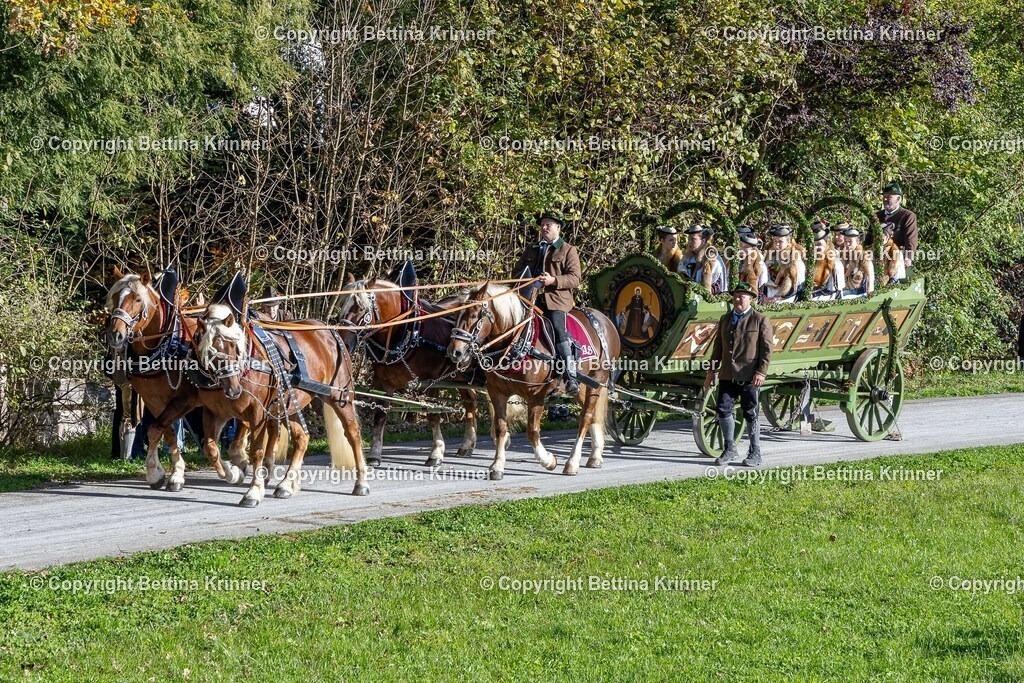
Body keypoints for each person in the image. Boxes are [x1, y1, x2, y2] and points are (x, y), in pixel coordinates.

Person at [703, 282, 773, 466]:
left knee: (750, 413)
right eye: (735, 296)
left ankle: (755, 452)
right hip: (727, 374)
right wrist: (711, 371)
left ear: (751, 299)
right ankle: (729, 448)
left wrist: (761, 372)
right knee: (723, 410)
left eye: (742, 296)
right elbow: (717, 348)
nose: (737, 299)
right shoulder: (725, 319)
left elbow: (767, 350)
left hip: (750, 375)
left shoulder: (760, 319)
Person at [512, 209, 582, 394]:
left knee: (558, 329)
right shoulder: (531, 249)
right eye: (542, 225)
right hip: (529, 299)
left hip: (556, 300)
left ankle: (570, 376)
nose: (544, 228)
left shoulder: (568, 250)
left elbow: (575, 278)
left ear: (558, 228)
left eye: (548, 224)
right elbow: (516, 273)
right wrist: (526, 280)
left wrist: (553, 280)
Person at [875, 181, 918, 271]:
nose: (885, 200)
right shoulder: (876, 216)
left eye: (889, 197)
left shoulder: (907, 216)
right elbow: (869, 238)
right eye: (884, 197)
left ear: (898, 199)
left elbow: (911, 239)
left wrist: (908, 258)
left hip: (897, 259)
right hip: (877, 259)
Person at [678, 224, 727, 294]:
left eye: (693, 239)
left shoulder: (713, 259)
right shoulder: (687, 259)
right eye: (689, 239)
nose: (689, 242)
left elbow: (718, 287)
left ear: (703, 241)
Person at [764, 224, 806, 301]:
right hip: (769, 292)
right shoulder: (770, 254)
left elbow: (796, 283)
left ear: (788, 241)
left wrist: (778, 297)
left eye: (780, 242)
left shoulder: (794, 257)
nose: (777, 244)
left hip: (787, 296)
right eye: (775, 241)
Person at [811, 224, 845, 299]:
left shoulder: (832, 260)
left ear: (826, 243)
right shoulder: (818, 257)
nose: (818, 247)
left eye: (819, 244)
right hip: (823, 290)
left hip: (832, 294)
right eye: (815, 245)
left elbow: (832, 288)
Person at [840, 226, 875, 298]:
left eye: (850, 241)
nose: (847, 244)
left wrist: (869, 294)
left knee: (839, 295)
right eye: (845, 241)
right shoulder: (844, 255)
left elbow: (870, 276)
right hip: (846, 287)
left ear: (857, 242)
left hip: (858, 290)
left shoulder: (863, 256)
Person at [737, 232, 768, 296]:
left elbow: (761, 288)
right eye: (741, 246)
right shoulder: (733, 260)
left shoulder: (760, 266)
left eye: (746, 247)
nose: (743, 249)